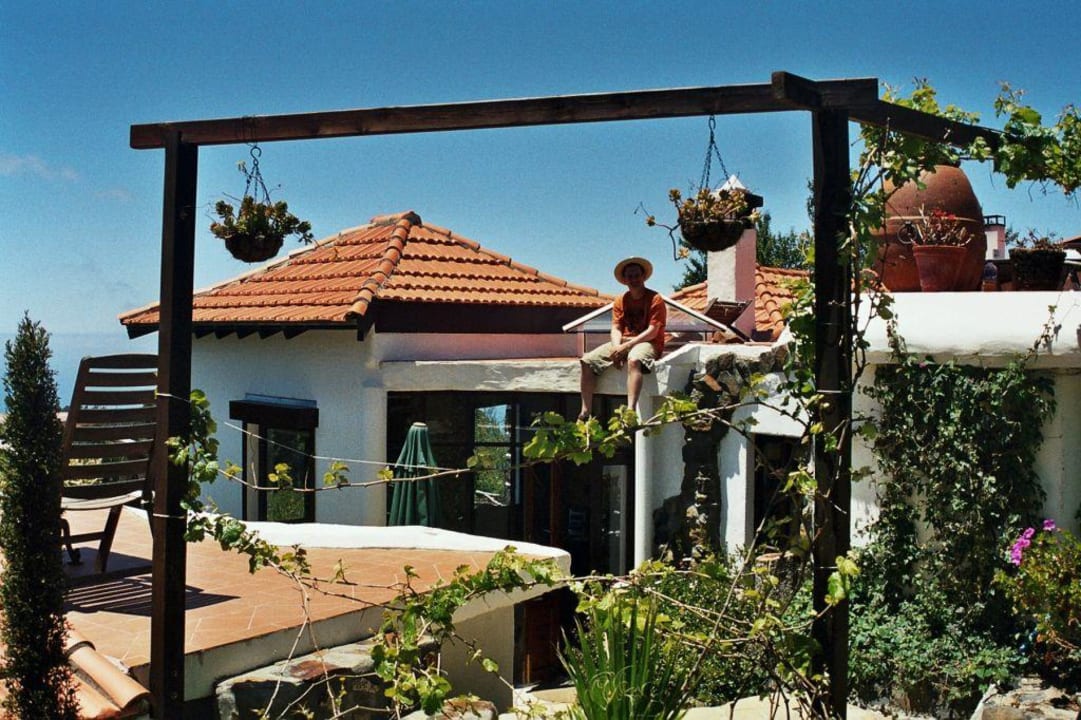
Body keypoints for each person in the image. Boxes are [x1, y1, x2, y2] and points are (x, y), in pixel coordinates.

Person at [579, 257, 667, 420]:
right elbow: (616, 328)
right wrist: (616, 348)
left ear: (643, 276)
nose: (634, 279)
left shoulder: (655, 299)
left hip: (649, 342)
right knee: (587, 361)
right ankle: (585, 411)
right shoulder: (620, 300)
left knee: (634, 360)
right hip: (625, 341)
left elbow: (653, 331)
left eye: (637, 275)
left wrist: (626, 347)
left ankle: (630, 410)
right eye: (630, 276)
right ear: (625, 279)